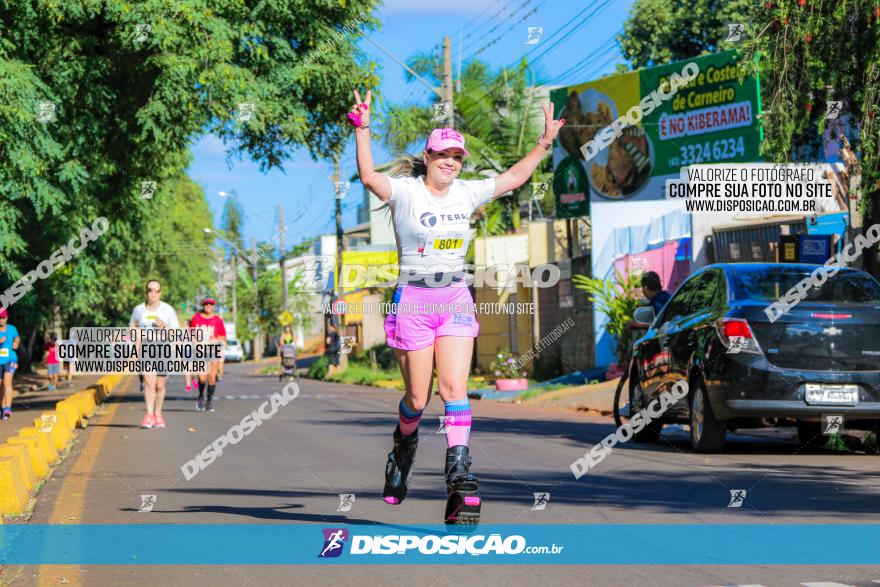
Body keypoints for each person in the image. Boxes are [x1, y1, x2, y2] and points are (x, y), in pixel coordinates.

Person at [349, 88, 565, 524]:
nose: (451, 161)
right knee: (417, 395)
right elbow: (370, 177)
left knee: (453, 390)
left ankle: (459, 472)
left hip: (454, 298)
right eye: (443, 154)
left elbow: (513, 179)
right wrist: (363, 129)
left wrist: (544, 142)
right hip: (412, 300)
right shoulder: (406, 192)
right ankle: (402, 452)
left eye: (458, 156)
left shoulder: (467, 192)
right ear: (427, 157)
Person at [130, 279, 180, 429]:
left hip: (163, 348)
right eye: (150, 290)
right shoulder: (138, 310)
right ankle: (149, 415)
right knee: (148, 382)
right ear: (146, 292)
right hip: (146, 348)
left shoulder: (168, 310)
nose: (153, 293)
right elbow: (134, 326)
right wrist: (134, 351)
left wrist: (163, 326)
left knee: (160, 385)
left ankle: (158, 414)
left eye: (156, 290)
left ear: (160, 292)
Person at [190, 298, 226, 412]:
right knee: (201, 377)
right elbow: (191, 334)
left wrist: (217, 341)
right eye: (206, 304)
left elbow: (223, 337)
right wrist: (195, 343)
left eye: (211, 304)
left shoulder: (218, 320)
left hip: (213, 351)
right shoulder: (196, 318)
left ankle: (209, 402)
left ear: (214, 306)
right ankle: (201, 395)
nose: (209, 306)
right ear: (203, 306)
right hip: (200, 351)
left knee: (211, 377)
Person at [0, 308, 20, 420]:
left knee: (7, 382)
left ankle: (8, 408)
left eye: (3, 317)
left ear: (6, 317)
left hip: (10, 359)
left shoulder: (12, 328)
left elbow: (17, 338)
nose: (1, 320)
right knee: (1, 385)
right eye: (0, 318)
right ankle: (3, 409)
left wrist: (16, 343)